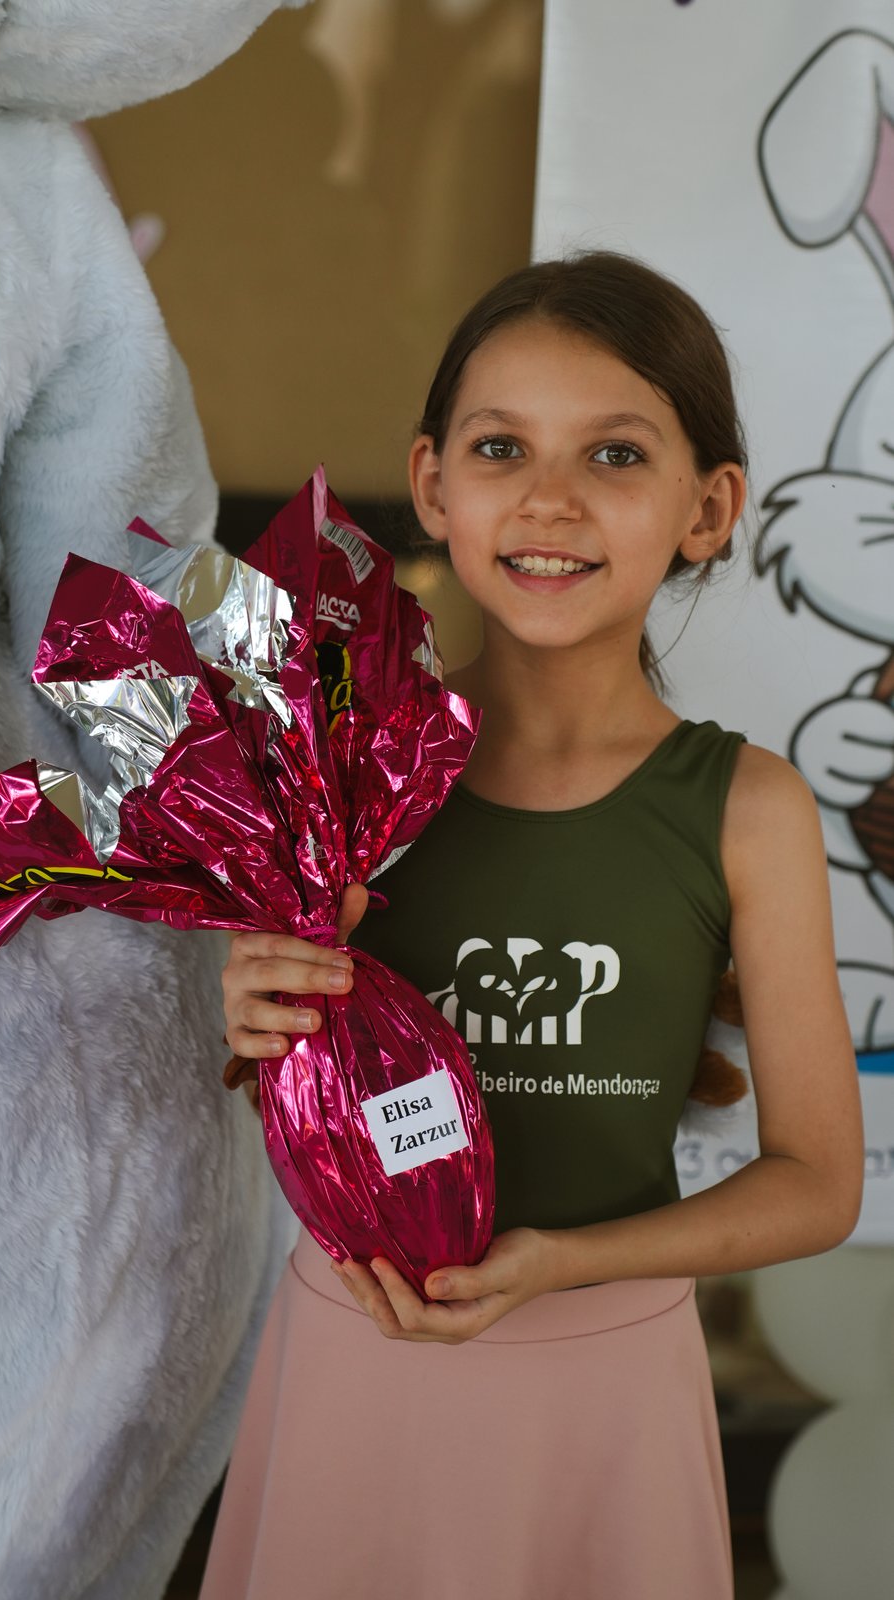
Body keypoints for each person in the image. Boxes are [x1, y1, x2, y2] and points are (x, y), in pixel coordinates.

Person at [202, 252, 863, 1600]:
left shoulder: (749, 810)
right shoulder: (337, 775)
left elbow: (817, 1182)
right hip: (354, 1366)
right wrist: (249, 1007)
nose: (550, 500)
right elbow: (287, 1078)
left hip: (607, 1391)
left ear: (708, 507)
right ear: (434, 483)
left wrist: (566, 1264)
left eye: (615, 454)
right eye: (503, 447)